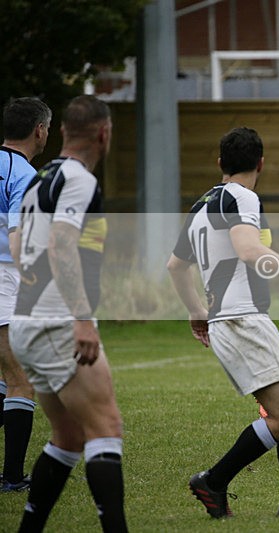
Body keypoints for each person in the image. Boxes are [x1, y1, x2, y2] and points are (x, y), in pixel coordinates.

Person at [167, 127, 279, 518]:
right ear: (261, 163)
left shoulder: (202, 203)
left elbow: (175, 266)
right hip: (241, 319)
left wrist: (196, 310)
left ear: (220, 162)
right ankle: (214, 480)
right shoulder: (243, 196)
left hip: (234, 319)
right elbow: (250, 250)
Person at [9, 95, 127, 531]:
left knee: (69, 436)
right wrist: (80, 316)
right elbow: (60, 244)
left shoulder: (40, 179)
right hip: (57, 319)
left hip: (26, 317)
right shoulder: (79, 180)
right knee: (106, 426)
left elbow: (20, 245)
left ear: (61, 133)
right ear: (104, 133)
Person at [0, 97, 50, 493]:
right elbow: (19, 235)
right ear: (39, 130)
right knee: (20, 381)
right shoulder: (25, 174)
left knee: (5, 379)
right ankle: (13, 478)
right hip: (6, 279)